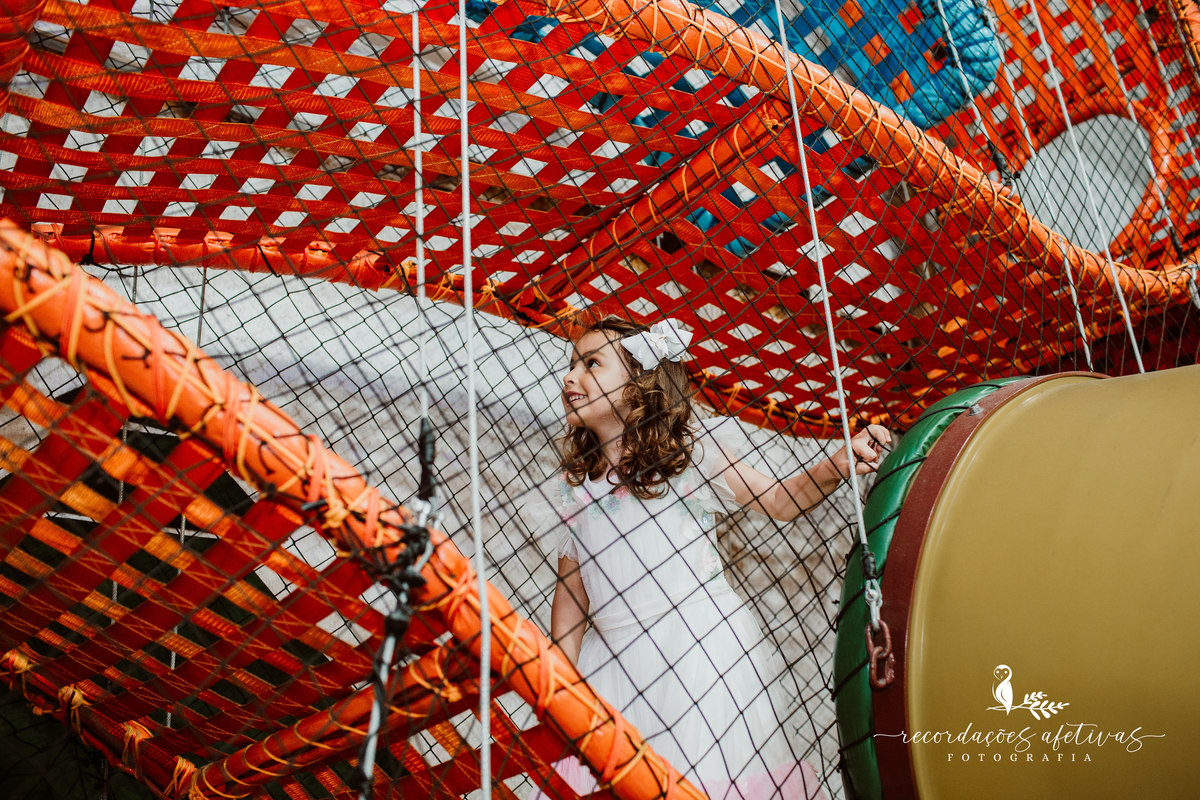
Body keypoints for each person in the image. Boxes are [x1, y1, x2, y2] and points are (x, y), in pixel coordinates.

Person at [538, 316, 891, 800]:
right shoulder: (575, 485)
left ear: (638, 386)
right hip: (612, 664)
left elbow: (779, 500)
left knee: (699, 780)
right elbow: (572, 592)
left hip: (696, 649)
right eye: (572, 364)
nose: (570, 377)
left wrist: (837, 464)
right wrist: (561, 675)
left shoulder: (684, 459)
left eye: (591, 364)